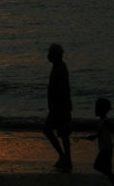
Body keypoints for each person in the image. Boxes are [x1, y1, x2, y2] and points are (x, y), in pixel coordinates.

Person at [43, 42, 73, 170]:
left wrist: (61, 107)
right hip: (60, 106)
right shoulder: (59, 67)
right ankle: (66, 159)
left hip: (59, 107)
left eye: (50, 53)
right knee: (63, 134)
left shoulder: (59, 69)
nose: (48, 55)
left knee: (48, 130)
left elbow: (62, 90)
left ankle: (64, 157)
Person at [78, 97, 114, 185]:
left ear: (102, 109)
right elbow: (100, 134)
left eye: (97, 108)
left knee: (97, 166)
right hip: (105, 148)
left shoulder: (105, 121)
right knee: (107, 168)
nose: (95, 110)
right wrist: (93, 137)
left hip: (106, 149)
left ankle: (113, 177)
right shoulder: (101, 121)